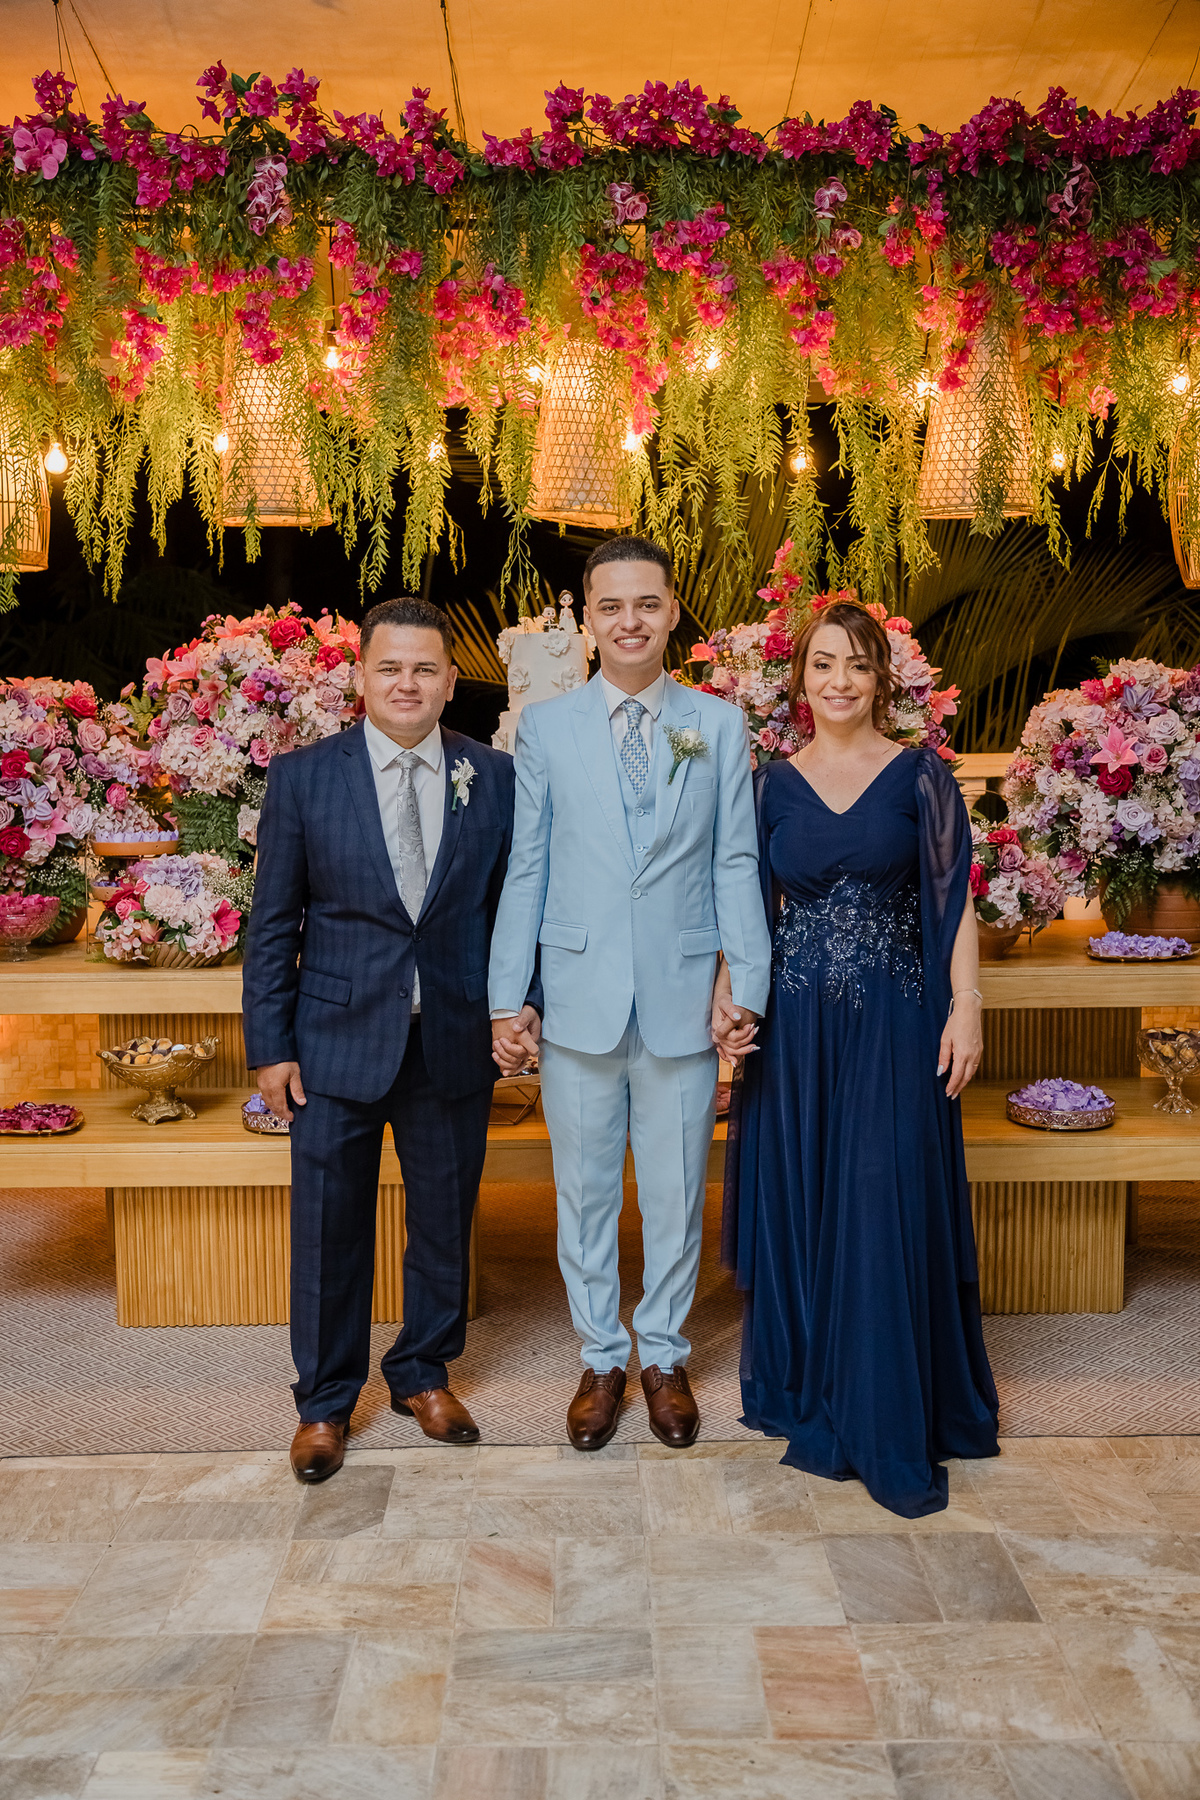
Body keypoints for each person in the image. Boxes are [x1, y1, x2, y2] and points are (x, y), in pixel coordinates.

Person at [243, 597, 540, 1483]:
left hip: (452, 1036)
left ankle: (422, 1372)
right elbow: (273, 925)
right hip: (332, 1041)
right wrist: (271, 1045)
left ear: (450, 681)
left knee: (443, 1221)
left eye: (424, 669)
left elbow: (517, 911)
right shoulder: (304, 777)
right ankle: (325, 1402)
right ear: (361, 677)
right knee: (328, 1228)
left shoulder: (495, 776)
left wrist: (520, 1006)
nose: (407, 683)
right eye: (390, 667)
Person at [489, 535, 772, 1452]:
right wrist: (507, 994)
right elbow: (527, 867)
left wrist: (745, 983)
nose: (630, 622)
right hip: (579, 992)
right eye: (610, 606)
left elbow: (735, 860)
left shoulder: (715, 725)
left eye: (646, 604)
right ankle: (602, 1356)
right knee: (584, 1194)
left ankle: (664, 1354)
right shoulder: (548, 727)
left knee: (678, 1190)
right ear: (588, 618)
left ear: (673, 611)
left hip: (684, 994)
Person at [720, 599, 999, 1518]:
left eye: (857, 665)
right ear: (799, 678)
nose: (839, 681)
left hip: (895, 1020)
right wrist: (729, 997)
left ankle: (886, 1401)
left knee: (880, 1196)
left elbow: (952, 902)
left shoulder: (921, 775)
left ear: (883, 679)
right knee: (806, 1196)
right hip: (795, 1031)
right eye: (823, 664)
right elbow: (745, 911)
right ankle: (811, 1376)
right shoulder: (770, 785)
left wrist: (966, 1008)